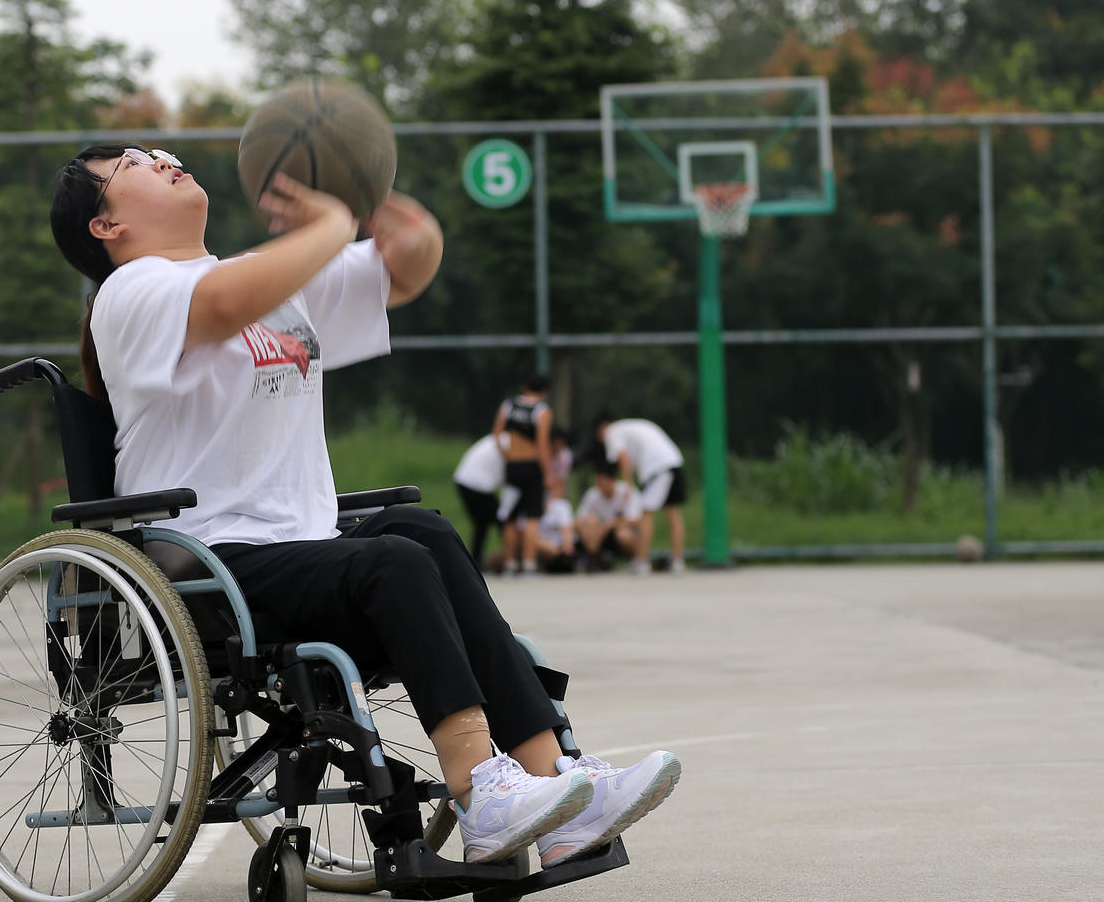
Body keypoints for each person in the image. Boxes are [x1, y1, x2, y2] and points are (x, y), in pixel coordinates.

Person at [48, 145, 679, 870]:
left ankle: (556, 782)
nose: (160, 158)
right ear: (105, 226)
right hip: (205, 565)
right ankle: (483, 795)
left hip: (300, 547)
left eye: (161, 151)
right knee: (394, 561)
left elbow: (399, 272)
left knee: (423, 532)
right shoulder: (131, 294)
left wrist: (406, 231)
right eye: (131, 163)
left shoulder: (264, 282)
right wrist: (329, 226)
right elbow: (224, 304)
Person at [594, 417, 688, 574]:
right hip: (674, 461)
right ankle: (678, 561)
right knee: (673, 513)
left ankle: (641, 561)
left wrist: (628, 486)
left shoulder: (612, 432)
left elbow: (623, 458)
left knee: (646, 514)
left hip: (656, 468)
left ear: (601, 431)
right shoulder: (632, 426)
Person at [493, 376, 553, 576]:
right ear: (544, 392)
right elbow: (542, 446)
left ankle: (510, 563)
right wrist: (548, 473)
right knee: (532, 517)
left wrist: (507, 454)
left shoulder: (508, 406)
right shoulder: (542, 411)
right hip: (532, 466)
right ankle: (528, 564)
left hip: (513, 466)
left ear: (524, 387)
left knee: (510, 516)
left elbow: (497, 434)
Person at [575, 460, 644, 571]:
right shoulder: (592, 494)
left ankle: (634, 559)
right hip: (598, 536)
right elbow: (578, 520)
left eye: (604, 481)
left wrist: (612, 524)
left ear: (612, 480)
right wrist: (594, 526)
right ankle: (594, 559)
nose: (601, 485)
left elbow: (637, 519)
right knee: (590, 521)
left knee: (624, 534)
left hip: (619, 535)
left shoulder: (627, 492)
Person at [452, 434, 506, 568]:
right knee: (502, 520)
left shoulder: (499, 438)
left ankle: (475, 562)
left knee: (482, 524)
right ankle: (513, 557)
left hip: (463, 480)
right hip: (476, 484)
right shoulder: (509, 442)